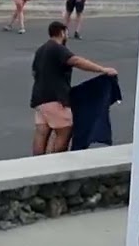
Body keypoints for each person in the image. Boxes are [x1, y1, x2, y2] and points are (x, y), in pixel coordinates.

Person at [31, 21, 118, 155]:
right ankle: (56, 161)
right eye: (66, 32)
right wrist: (102, 69)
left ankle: (36, 164)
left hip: (39, 100)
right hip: (56, 99)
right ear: (61, 32)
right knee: (66, 129)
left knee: (41, 134)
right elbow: (76, 61)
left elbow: (34, 73)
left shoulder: (40, 50)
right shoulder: (57, 48)